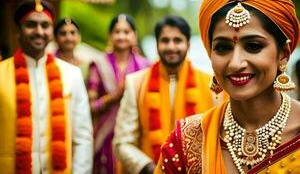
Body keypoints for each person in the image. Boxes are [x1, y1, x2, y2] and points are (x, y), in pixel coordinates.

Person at [155, 0, 300, 173]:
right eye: (223, 48)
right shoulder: (187, 140)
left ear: (283, 54)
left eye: (253, 46)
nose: (235, 63)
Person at [113, 16, 223, 174]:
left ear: (188, 44)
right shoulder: (136, 83)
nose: (171, 47)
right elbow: (122, 142)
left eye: (177, 40)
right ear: (157, 45)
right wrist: (150, 168)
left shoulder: (212, 84)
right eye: (165, 41)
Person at [0, 0, 93, 173]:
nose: (39, 31)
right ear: (18, 30)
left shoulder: (72, 74)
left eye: (45, 25)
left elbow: (82, 138)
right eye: (31, 25)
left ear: (52, 32)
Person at [87, 13, 150, 174]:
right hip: (105, 137)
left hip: (135, 135)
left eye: (126, 32)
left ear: (134, 36)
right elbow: (91, 106)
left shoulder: (145, 66)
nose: (121, 36)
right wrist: (113, 96)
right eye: (117, 31)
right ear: (110, 36)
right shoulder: (98, 64)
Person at [54, 18, 90, 82]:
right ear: (55, 38)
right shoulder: (50, 62)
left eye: (72, 33)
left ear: (79, 37)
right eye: (63, 33)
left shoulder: (84, 66)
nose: (68, 38)